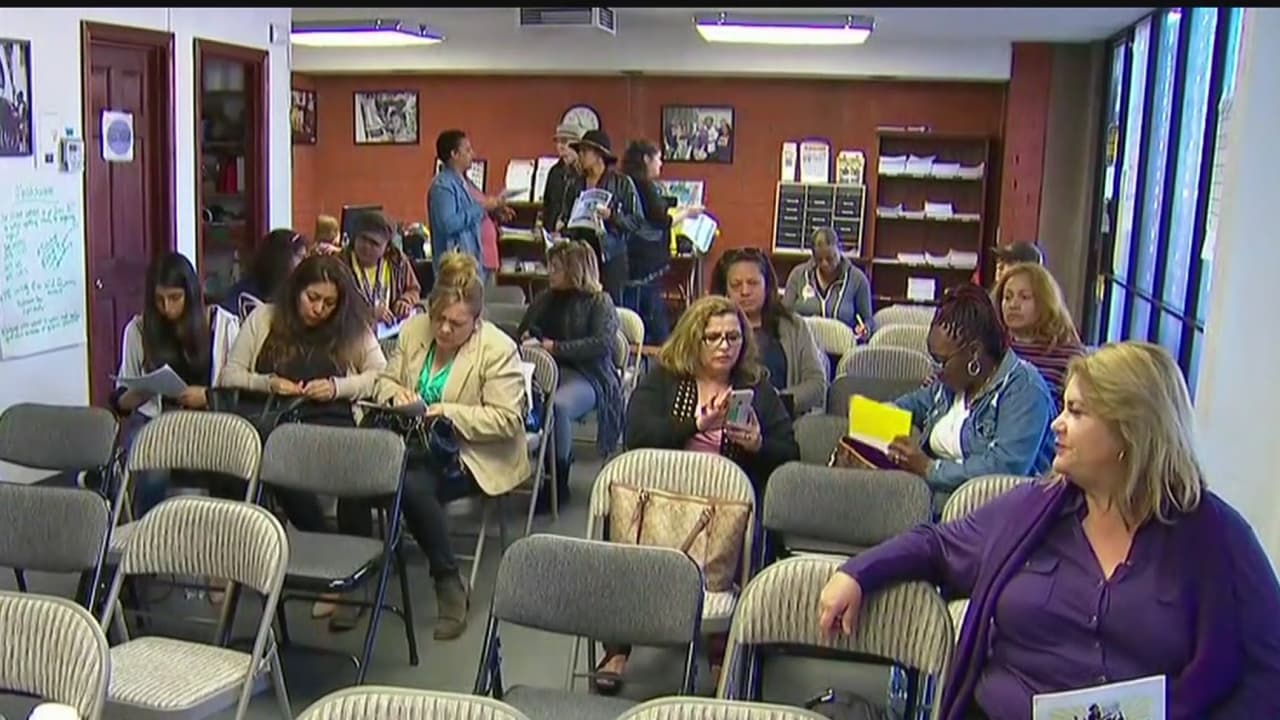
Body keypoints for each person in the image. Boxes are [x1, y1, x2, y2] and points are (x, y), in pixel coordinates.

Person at [819, 342, 1280, 719]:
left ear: (1130, 431)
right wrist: (857, 573)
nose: (1057, 424)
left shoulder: (1218, 538)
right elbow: (936, 545)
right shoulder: (1031, 511)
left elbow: (1268, 673)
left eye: (1076, 412)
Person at [612, 294, 800, 692]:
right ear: (693, 340)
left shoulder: (755, 387)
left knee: (747, 529)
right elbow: (637, 436)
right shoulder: (666, 379)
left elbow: (790, 453)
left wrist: (758, 444)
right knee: (624, 528)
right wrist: (697, 424)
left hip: (726, 513)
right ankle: (618, 646)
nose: (724, 346)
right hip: (662, 502)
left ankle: (720, 647)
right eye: (713, 337)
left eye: (733, 338)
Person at [219, 254, 386, 624]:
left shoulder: (350, 327)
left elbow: (380, 374)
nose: (320, 309)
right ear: (296, 290)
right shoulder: (265, 318)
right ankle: (320, 555)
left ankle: (351, 579)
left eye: (329, 303)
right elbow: (230, 375)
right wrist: (268, 383)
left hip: (330, 420)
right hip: (277, 420)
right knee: (269, 461)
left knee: (354, 467)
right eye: (313, 298)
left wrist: (337, 386)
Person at [371, 251, 529, 640]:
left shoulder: (497, 349)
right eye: (438, 317)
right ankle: (363, 583)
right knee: (366, 473)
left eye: (456, 324)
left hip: (472, 453)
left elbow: (507, 420)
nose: (442, 329)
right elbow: (383, 381)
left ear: (476, 321)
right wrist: (396, 396)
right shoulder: (414, 330)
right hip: (412, 444)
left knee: (410, 485)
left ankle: (448, 582)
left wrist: (445, 412)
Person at [884, 284, 1056, 506]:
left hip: (996, 513)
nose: (936, 370)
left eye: (942, 361)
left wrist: (929, 468)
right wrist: (881, 418)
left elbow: (1002, 469)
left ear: (974, 352)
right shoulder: (950, 385)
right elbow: (914, 403)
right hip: (933, 503)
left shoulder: (1025, 390)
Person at [112, 252, 242, 512]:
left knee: (230, 463)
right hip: (158, 421)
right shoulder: (138, 329)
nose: (167, 308)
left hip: (210, 419)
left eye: (174, 298)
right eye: (159, 300)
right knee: (152, 466)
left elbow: (238, 392)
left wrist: (207, 396)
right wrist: (141, 392)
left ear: (190, 294)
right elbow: (121, 402)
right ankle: (148, 526)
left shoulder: (224, 326)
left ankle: (222, 527)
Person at [516, 240, 622, 507]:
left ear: (575, 270)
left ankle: (557, 482)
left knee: (558, 406)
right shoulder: (546, 298)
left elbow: (602, 344)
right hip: (545, 373)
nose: (550, 272)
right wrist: (529, 336)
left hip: (589, 375)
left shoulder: (600, 302)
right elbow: (524, 329)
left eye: (556, 268)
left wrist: (556, 347)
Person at [710, 247, 827, 416]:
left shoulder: (793, 325)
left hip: (785, 418)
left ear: (767, 286)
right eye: (736, 285)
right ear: (725, 291)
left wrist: (776, 404)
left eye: (753, 283)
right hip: (724, 419)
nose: (745, 291)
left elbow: (817, 384)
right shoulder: (709, 328)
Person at [619, 138, 702, 345]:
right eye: (658, 158)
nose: (661, 163)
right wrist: (687, 213)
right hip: (645, 265)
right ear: (646, 159)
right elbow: (662, 220)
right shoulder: (644, 186)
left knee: (631, 322)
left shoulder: (623, 182)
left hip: (628, 262)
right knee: (655, 326)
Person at [559, 129, 643, 304]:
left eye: (585, 151)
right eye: (579, 151)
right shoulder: (574, 184)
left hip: (610, 256)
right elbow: (565, 216)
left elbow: (636, 221)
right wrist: (561, 228)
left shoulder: (622, 183)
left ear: (599, 155)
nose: (580, 156)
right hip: (580, 256)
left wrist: (612, 216)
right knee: (579, 304)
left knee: (610, 305)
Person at [994, 263, 1087, 408]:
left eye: (1024, 297)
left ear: (1044, 301)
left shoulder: (1069, 355)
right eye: (1007, 297)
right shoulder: (992, 348)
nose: (1013, 305)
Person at [427, 129, 508, 283]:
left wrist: (493, 211)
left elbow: (472, 213)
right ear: (454, 154)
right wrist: (482, 206)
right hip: (457, 269)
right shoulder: (443, 186)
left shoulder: (466, 182)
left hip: (477, 263)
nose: (473, 154)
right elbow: (448, 224)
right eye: (468, 150)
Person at [782, 227, 875, 340]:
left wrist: (865, 329)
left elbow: (868, 320)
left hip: (842, 344)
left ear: (839, 250)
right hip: (804, 342)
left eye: (830, 258)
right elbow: (784, 315)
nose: (825, 264)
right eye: (819, 259)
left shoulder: (858, 279)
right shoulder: (798, 275)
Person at [340, 209, 422, 325]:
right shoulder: (340, 263)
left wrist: (405, 300)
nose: (366, 247)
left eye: (374, 243)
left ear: (387, 247)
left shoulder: (397, 262)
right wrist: (368, 313)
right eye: (363, 239)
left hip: (389, 329)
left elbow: (413, 289)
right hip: (352, 329)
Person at [217, 228, 307, 316]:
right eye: (301, 257)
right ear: (283, 259)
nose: (304, 263)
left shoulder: (296, 292)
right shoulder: (243, 295)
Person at [540, 122, 582, 234]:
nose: (560, 147)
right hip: (552, 234)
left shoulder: (585, 174)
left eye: (564, 141)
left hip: (575, 234)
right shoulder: (554, 172)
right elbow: (547, 205)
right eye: (557, 142)